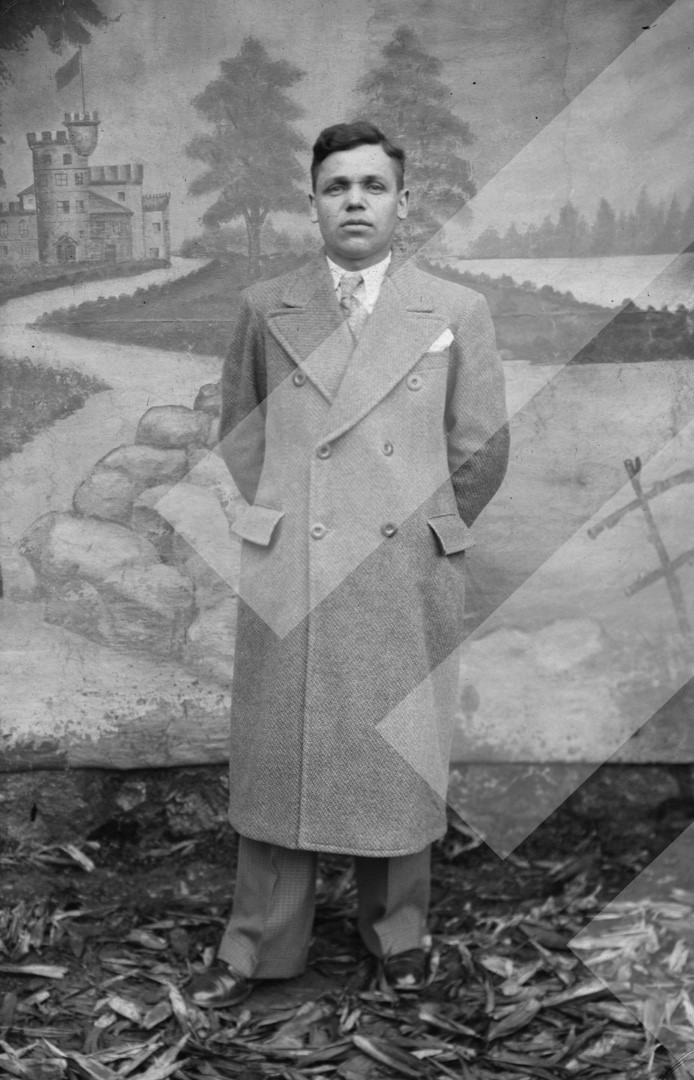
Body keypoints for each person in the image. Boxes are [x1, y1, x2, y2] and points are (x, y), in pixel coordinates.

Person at [187, 121, 509, 1007]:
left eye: (373, 186)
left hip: (401, 566)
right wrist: (287, 518)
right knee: (277, 752)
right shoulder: (268, 306)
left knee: (398, 754)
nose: (355, 201)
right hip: (295, 561)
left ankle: (398, 937)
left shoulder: (455, 310)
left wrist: (424, 529)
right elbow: (242, 432)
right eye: (337, 187)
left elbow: (481, 447)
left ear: (404, 203)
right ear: (314, 203)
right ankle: (259, 946)